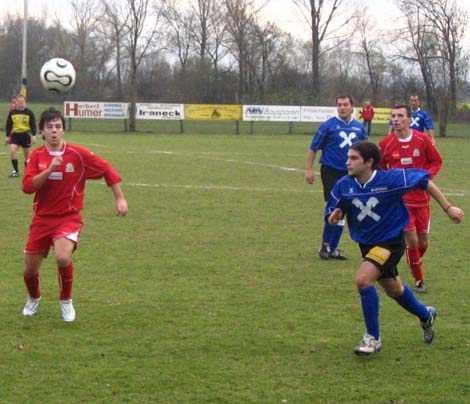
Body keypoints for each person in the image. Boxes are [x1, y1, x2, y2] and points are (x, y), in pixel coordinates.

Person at [326, 141, 464, 355]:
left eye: (354, 158)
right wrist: (334, 218)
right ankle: (426, 315)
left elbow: (425, 182)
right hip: (367, 244)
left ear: (369, 162)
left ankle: (373, 338)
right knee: (394, 290)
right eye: (348, 158)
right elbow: (333, 212)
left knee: (363, 279)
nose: (348, 162)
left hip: (390, 241)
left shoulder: (390, 179)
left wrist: (448, 208)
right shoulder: (344, 185)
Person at [21, 107, 128, 322]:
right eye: (49, 127)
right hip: (42, 218)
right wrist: (49, 170)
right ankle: (34, 297)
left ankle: (66, 300)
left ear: (63, 130)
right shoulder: (36, 156)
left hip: (68, 217)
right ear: (42, 131)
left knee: (63, 257)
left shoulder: (77, 154)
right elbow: (27, 187)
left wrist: (120, 198)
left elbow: (106, 168)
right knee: (30, 271)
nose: (54, 130)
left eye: (58, 126)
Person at [379, 105, 442, 293]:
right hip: (401, 202)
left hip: (422, 200)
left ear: (409, 119)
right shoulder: (386, 144)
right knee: (413, 241)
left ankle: (413, 261)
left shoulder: (422, 140)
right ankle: (419, 279)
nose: (396, 119)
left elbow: (436, 161)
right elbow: (381, 169)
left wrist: (425, 178)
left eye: (400, 116)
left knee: (422, 243)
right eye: (393, 116)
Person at [306, 95, 367, 260]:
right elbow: (313, 148)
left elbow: (366, 152)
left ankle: (332, 248)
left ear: (352, 107)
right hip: (331, 171)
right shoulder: (328, 126)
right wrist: (309, 170)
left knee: (344, 210)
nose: (342, 108)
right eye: (339, 105)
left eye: (345, 105)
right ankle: (325, 246)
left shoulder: (359, 128)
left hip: (351, 174)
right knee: (334, 207)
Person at [5, 94, 37, 177]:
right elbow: (9, 124)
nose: (20, 103)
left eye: (22, 101)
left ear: (25, 102)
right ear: (16, 102)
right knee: (12, 151)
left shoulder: (29, 112)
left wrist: (33, 135)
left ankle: (27, 172)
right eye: (19, 101)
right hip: (15, 135)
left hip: (26, 135)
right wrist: (8, 136)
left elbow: (33, 124)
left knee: (27, 155)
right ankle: (15, 171)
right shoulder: (12, 112)